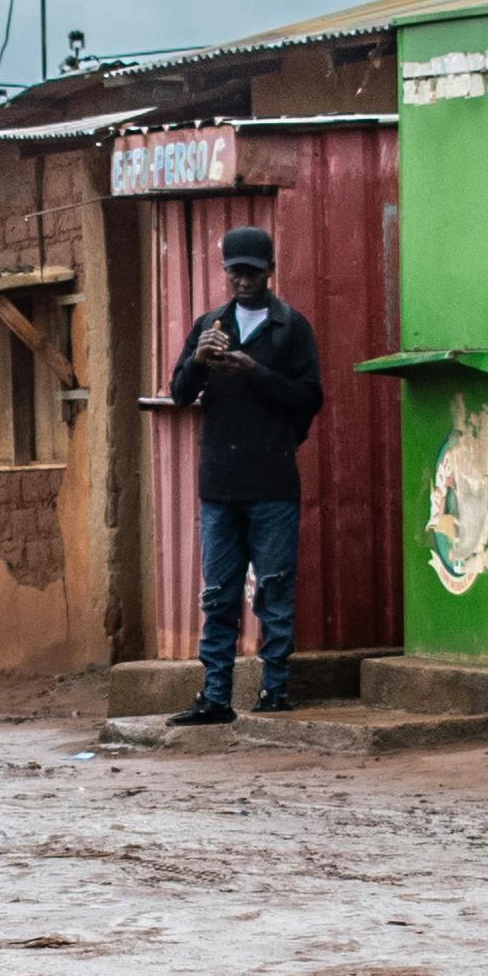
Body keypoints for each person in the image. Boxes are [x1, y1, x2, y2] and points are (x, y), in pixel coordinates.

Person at [174, 224, 327, 721]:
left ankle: (274, 692)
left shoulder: (292, 327)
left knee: (274, 591)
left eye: (252, 272)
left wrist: (254, 373)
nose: (242, 281)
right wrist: (198, 362)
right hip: (219, 484)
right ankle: (215, 698)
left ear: (269, 272)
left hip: (273, 483)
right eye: (235, 271)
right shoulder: (209, 326)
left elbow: (309, 399)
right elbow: (178, 393)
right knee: (218, 595)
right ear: (226, 273)